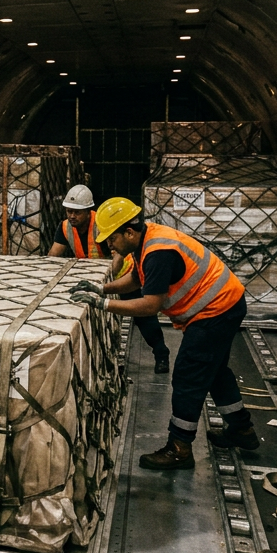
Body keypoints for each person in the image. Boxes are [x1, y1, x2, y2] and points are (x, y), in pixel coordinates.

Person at [71, 197, 255, 471]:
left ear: (129, 232)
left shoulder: (158, 252)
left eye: (112, 239)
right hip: (225, 303)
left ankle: (180, 448)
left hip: (215, 311)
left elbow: (149, 305)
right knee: (214, 371)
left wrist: (104, 305)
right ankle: (242, 430)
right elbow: (137, 279)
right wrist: (102, 289)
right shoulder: (146, 241)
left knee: (187, 376)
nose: (109, 245)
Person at [49, 186, 170, 374]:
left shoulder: (102, 224)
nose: (72, 216)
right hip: (95, 281)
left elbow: (118, 256)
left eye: (77, 212)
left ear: (88, 211)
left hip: (123, 277)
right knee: (100, 321)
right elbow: (53, 257)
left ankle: (161, 354)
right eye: (69, 211)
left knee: (144, 317)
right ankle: (104, 360)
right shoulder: (65, 227)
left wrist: (106, 280)